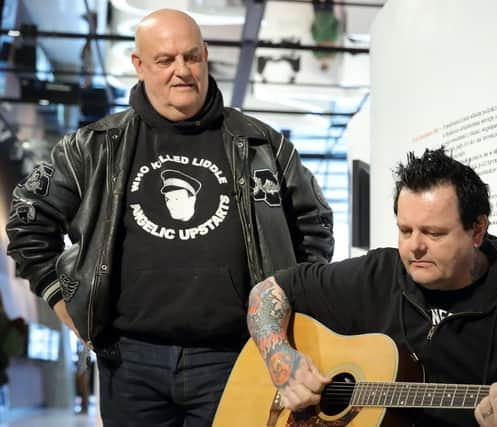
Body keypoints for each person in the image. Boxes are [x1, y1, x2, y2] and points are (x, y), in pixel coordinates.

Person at [5, 8, 333, 427]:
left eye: (192, 57)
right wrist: (60, 299)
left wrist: (289, 308)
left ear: (206, 55)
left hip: (236, 356)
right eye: (165, 60)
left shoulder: (261, 144)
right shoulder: (93, 147)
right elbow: (28, 220)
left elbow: (315, 225)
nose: (182, 70)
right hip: (130, 362)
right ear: (139, 66)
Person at [247, 147, 497, 426]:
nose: (414, 247)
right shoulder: (378, 272)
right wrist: (281, 358)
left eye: (434, 233)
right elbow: (268, 291)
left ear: (477, 230)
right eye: (405, 230)